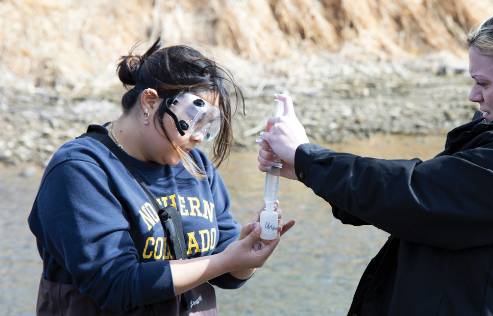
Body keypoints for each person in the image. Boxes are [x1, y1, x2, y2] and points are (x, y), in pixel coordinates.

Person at [258, 5, 493, 316]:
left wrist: (307, 156)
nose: (473, 95)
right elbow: (427, 193)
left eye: (483, 83)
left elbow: (412, 193)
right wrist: (306, 169)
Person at [28, 39, 294, 315]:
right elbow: (115, 284)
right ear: (150, 102)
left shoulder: (196, 166)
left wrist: (248, 251)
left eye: (209, 125)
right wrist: (225, 261)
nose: (199, 136)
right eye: (194, 118)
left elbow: (226, 274)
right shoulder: (80, 170)